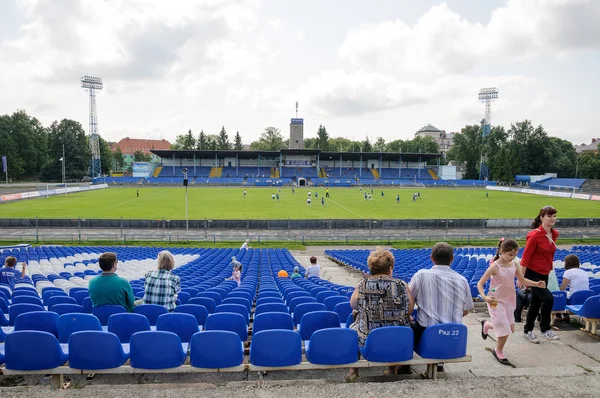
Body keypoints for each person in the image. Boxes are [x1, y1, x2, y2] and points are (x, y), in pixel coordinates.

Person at [345, 248, 414, 382]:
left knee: (353, 327)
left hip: (370, 340)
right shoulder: (402, 285)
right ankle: (392, 369)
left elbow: (353, 305)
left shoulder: (363, 284)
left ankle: (353, 370)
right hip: (397, 340)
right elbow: (409, 310)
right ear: (390, 268)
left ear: (371, 268)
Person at [477, 239, 546, 365]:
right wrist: (484, 297)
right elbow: (480, 283)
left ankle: (487, 324)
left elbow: (522, 280)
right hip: (495, 301)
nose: (512, 257)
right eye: (510, 255)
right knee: (504, 330)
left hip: (509, 300)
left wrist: (537, 284)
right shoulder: (495, 266)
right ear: (502, 251)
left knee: (511, 329)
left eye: (514, 255)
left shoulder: (514, 265)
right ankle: (498, 350)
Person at [409, 242, 473, 359]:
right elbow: (465, 311)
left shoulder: (421, 275)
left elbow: (409, 302)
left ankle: (403, 366)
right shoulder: (462, 280)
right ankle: (440, 360)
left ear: (431, 258)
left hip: (426, 333)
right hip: (454, 336)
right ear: (452, 259)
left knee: (406, 325)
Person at [520, 205, 560, 343]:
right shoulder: (535, 235)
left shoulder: (554, 234)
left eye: (554, 216)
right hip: (532, 273)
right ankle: (545, 329)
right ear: (542, 217)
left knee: (535, 303)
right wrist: (521, 278)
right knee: (548, 298)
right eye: (549, 216)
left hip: (545, 272)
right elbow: (526, 257)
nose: (552, 219)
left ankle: (528, 330)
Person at [557, 254, 589, 322]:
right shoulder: (585, 272)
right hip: (585, 297)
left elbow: (563, 287)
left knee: (559, 295)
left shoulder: (568, 272)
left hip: (574, 298)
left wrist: (557, 290)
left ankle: (559, 315)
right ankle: (564, 315)